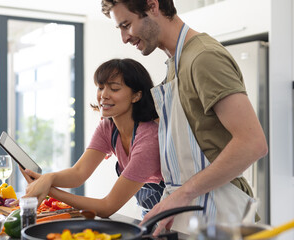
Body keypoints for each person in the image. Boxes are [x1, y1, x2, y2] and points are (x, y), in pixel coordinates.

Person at [101, 0, 268, 236]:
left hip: (220, 213)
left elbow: (253, 144)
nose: (124, 38)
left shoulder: (204, 57)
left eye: (126, 25)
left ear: (153, 6)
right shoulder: (175, 64)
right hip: (192, 212)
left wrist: (183, 193)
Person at [17, 58, 165, 218]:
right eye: (100, 87)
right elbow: (78, 173)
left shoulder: (149, 139)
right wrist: (47, 178)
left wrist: (48, 189)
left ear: (136, 96)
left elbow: (107, 207)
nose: (103, 95)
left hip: (178, 219)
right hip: (149, 215)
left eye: (114, 89)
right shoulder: (108, 127)